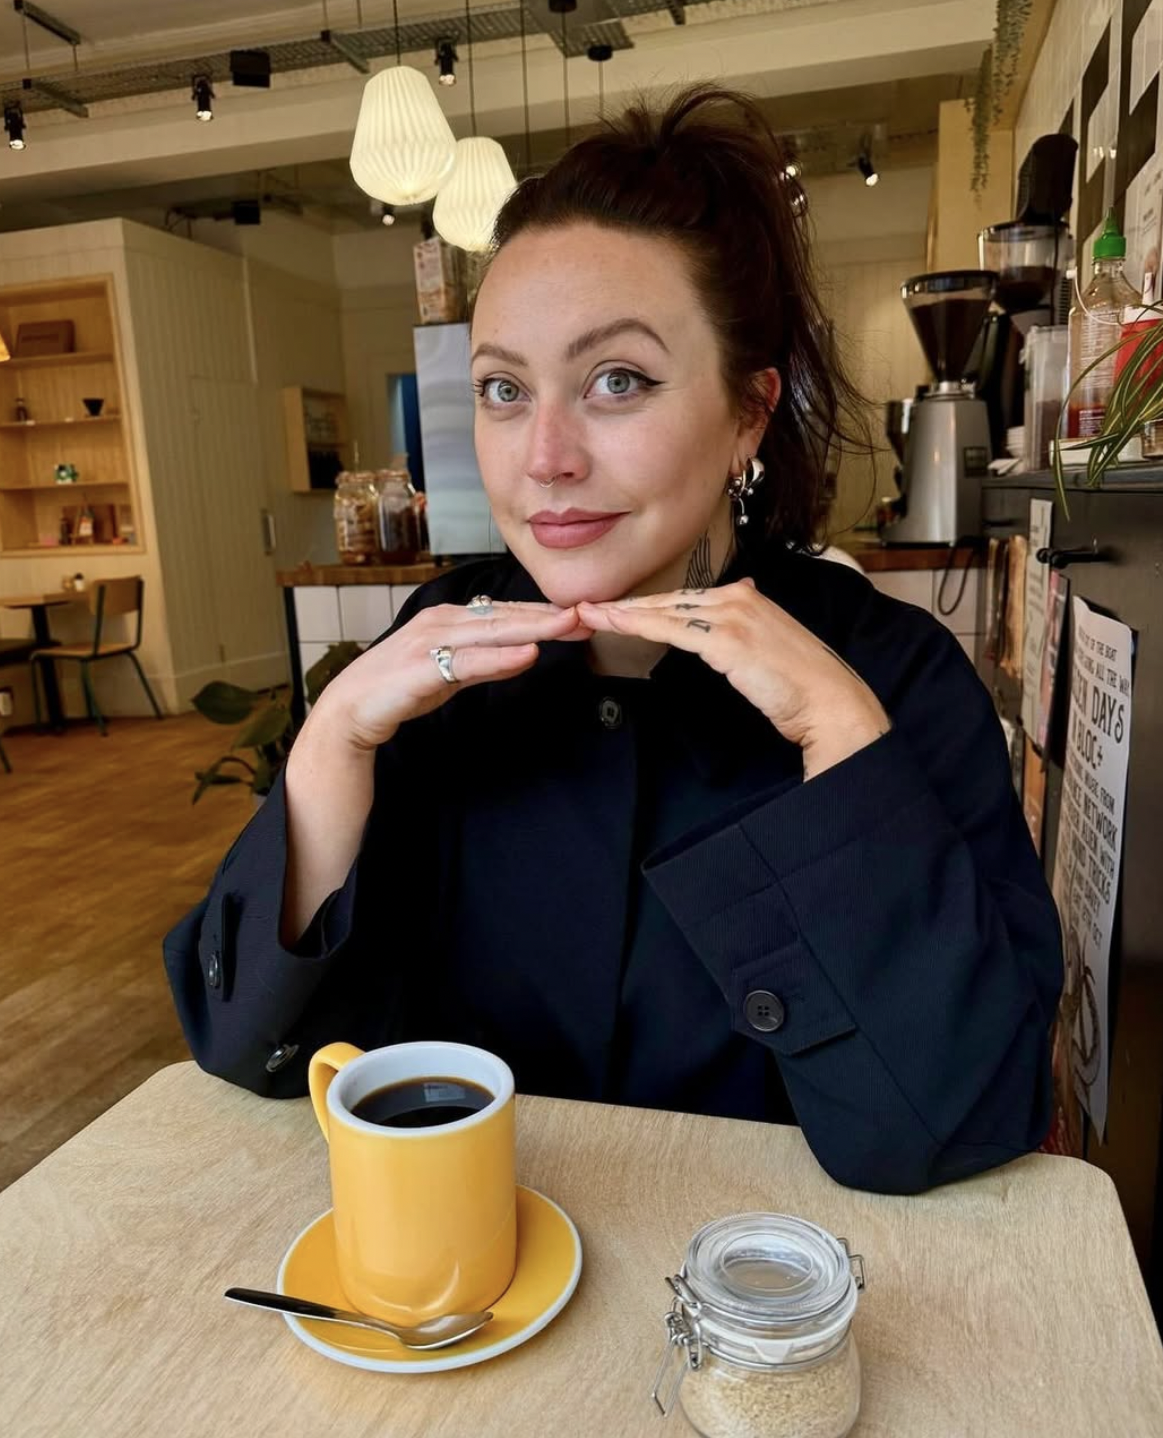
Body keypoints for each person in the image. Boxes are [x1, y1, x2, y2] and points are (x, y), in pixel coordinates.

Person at [164, 85, 1062, 1195]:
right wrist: (332, 744)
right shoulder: (432, 659)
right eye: (503, 389)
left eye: (617, 381)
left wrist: (840, 743)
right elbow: (250, 1050)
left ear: (749, 411)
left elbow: (969, 1122)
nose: (545, 456)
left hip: (770, 1283)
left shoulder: (892, 677)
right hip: (472, 1270)